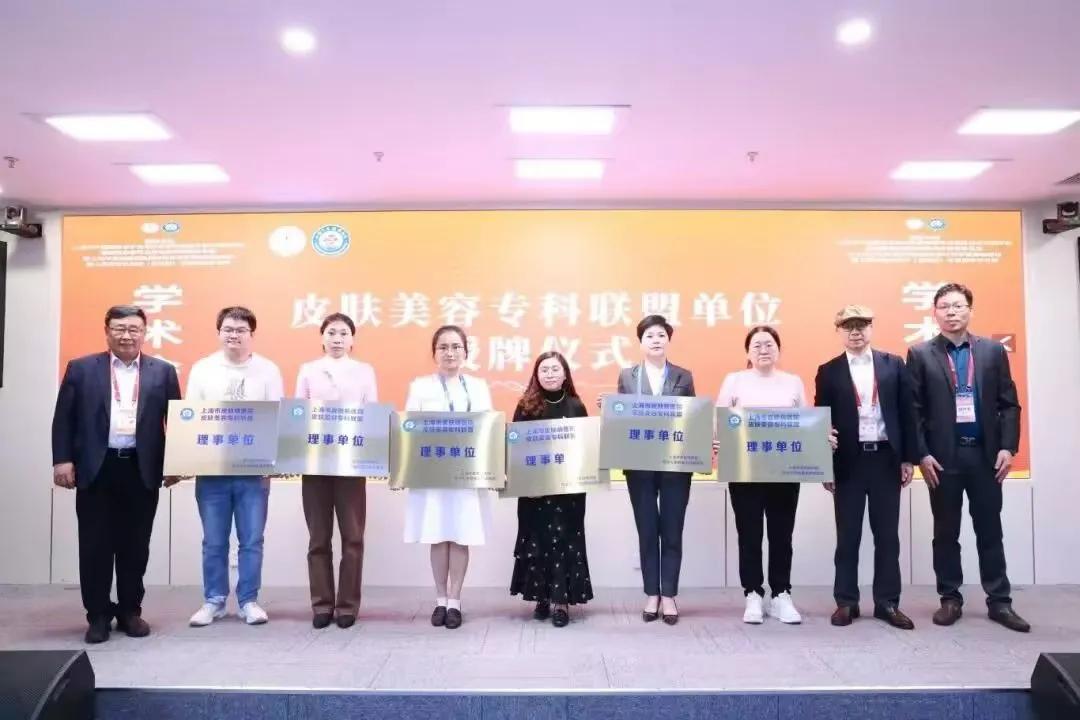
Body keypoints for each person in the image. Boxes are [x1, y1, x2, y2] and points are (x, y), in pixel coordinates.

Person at [51, 305, 181, 644]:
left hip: (141, 468)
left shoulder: (163, 372)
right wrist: (62, 460)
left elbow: (177, 424)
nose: (126, 335)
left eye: (133, 329)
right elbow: (64, 417)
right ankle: (97, 614)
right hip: (97, 467)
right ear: (107, 331)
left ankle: (129, 611)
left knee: (135, 545)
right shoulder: (81, 368)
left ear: (144, 333)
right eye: (119, 328)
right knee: (94, 545)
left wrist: (176, 464)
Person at [906, 283, 1029, 632]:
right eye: (944, 306)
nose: (951, 312)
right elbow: (913, 410)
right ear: (934, 313)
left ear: (970, 310)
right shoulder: (920, 354)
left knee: (990, 530)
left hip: (986, 457)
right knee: (946, 532)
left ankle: (1000, 601)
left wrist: (1007, 447)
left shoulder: (992, 351)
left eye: (958, 306)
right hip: (942, 460)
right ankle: (950, 598)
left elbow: (1009, 404)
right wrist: (922, 454)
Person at [717, 326, 836, 625]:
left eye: (769, 344)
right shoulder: (734, 380)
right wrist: (719, 440)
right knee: (749, 534)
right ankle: (753, 594)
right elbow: (720, 422)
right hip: (745, 471)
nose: (763, 349)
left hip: (785, 471)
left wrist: (822, 439)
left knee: (782, 534)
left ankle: (781, 593)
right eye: (757, 345)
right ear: (747, 351)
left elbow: (806, 423)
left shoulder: (792, 382)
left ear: (778, 350)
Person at [814, 305, 919, 630]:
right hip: (848, 461)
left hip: (886, 458)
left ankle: (887, 603)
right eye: (848, 326)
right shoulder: (828, 371)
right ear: (839, 331)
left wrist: (907, 458)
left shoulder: (893, 364)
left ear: (871, 328)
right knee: (848, 535)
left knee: (887, 536)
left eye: (862, 325)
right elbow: (822, 422)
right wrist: (825, 466)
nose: (855, 331)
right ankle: (846, 601)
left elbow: (908, 412)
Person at [181, 306, 284, 627]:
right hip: (212, 471)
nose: (234, 335)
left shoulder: (268, 371)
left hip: (253, 472)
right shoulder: (203, 369)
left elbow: (277, 418)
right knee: (214, 541)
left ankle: (248, 600)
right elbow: (191, 417)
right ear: (219, 332)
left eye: (241, 330)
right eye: (228, 329)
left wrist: (274, 461)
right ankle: (214, 600)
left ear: (252, 335)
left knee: (251, 540)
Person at [404, 325, 494, 630]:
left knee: (461, 534)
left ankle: (455, 601)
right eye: (443, 347)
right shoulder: (420, 387)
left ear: (466, 352)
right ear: (434, 353)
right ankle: (440, 599)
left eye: (456, 346)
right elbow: (409, 429)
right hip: (433, 474)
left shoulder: (478, 387)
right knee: (438, 533)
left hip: (466, 473)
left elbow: (488, 430)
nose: (450, 352)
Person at [294, 312, 378, 629]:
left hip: (351, 464)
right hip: (315, 463)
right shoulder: (308, 370)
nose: (337, 338)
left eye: (343, 333)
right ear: (322, 337)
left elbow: (372, 414)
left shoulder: (364, 371)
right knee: (318, 538)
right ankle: (322, 605)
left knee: (353, 537)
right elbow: (298, 413)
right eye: (331, 332)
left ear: (352, 339)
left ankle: (347, 606)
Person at [617, 315, 696, 626]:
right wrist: (610, 408)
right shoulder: (627, 376)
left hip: (676, 465)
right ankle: (652, 593)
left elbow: (692, 418)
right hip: (639, 466)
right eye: (649, 335)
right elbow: (622, 420)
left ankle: (670, 594)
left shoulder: (683, 376)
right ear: (641, 342)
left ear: (668, 340)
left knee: (673, 529)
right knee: (647, 529)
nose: (655, 340)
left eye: (661, 334)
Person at [510, 351, 593, 628]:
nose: (549, 374)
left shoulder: (576, 405)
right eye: (544, 370)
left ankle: (561, 602)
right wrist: (525, 484)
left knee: (564, 541)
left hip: (569, 493)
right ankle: (541, 598)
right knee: (539, 540)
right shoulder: (525, 406)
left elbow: (586, 450)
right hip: (535, 492)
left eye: (555, 369)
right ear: (536, 375)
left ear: (565, 374)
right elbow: (515, 450)